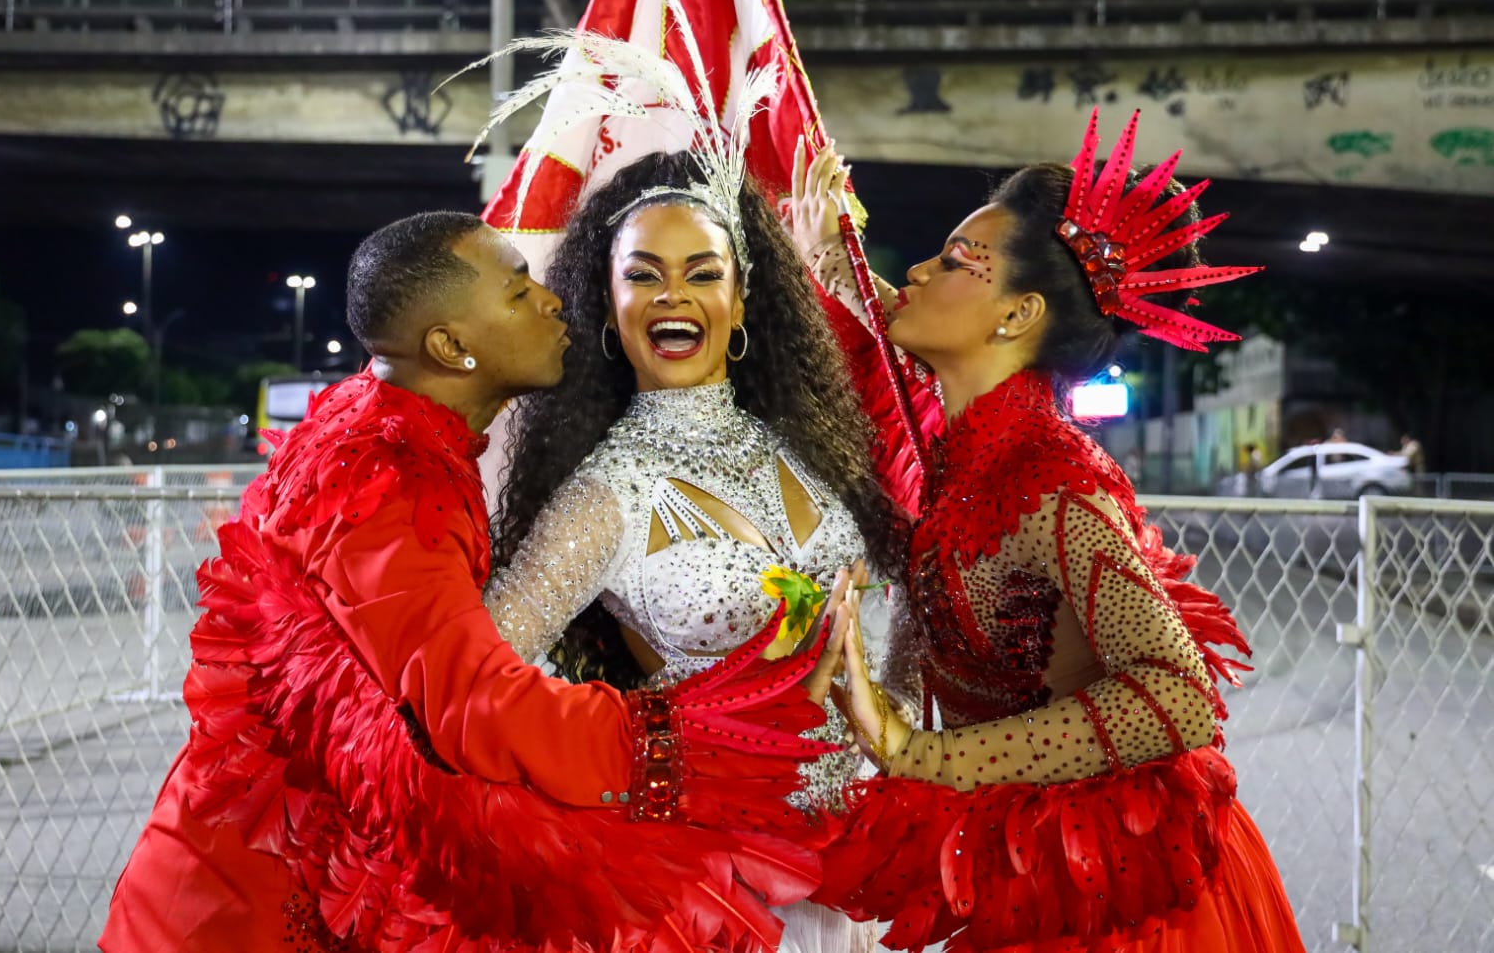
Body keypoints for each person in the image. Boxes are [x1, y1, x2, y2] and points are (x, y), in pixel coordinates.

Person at [102, 211, 846, 953]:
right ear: (451, 346)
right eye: (519, 291)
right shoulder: (382, 478)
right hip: (251, 904)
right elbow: (474, 702)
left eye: (705, 273)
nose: (554, 300)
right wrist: (694, 746)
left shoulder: (402, 438)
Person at [794, 110, 1305, 952]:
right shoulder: (964, 447)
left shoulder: (1049, 483)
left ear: (1015, 316)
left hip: (1127, 892)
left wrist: (920, 754)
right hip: (1041, 877)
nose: (918, 269)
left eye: (957, 262)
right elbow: (890, 362)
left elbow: (1177, 697)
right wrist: (828, 254)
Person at [485, 151, 916, 953]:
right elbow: (477, 684)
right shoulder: (605, 495)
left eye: (701, 272)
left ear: (740, 298)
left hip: (852, 870)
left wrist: (900, 737)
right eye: (642, 276)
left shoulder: (808, 448)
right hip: (719, 889)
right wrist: (647, 746)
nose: (672, 295)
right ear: (606, 307)